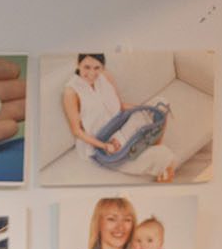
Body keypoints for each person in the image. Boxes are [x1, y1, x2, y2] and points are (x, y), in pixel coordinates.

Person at [61, 52, 178, 183]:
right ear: (78, 64)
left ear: (102, 67)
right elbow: (77, 131)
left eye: (97, 68)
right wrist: (105, 146)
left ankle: (151, 142)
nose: (92, 73)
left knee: (160, 104)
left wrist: (144, 109)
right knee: (165, 157)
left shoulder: (105, 76)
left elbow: (120, 106)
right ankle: (147, 147)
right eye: (86, 67)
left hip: (123, 124)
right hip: (103, 146)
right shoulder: (71, 92)